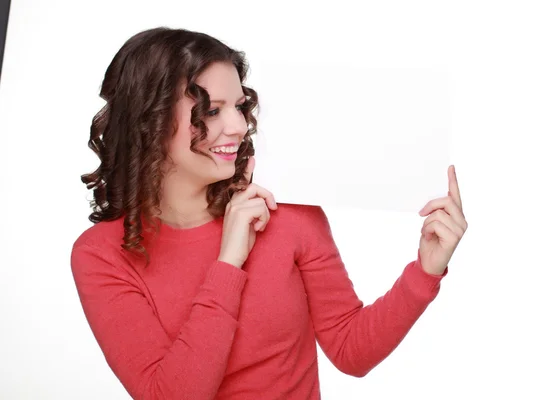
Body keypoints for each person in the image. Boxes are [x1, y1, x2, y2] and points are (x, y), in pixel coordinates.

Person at [71, 27, 468, 400]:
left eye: (239, 107)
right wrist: (229, 262)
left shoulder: (285, 211)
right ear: (149, 122)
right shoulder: (101, 254)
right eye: (211, 111)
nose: (238, 126)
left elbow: (351, 351)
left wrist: (425, 271)